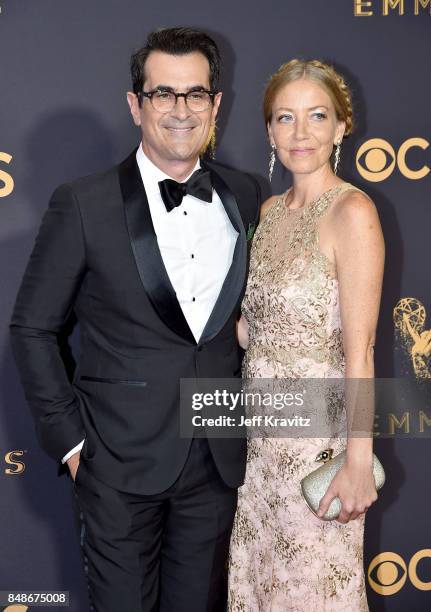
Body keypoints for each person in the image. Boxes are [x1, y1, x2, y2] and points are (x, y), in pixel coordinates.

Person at [9, 27, 260, 612]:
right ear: (135, 104)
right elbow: (32, 328)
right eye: (162, 94)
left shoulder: (247, 196)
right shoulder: (84, 202)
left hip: (217, 458)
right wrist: (70, 441)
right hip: (115, 462)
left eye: (195, 94)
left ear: (216, 104)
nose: (180, 110)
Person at [227, 59, 385, 611]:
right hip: (260, 447)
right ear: (269, 129)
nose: (300, 134)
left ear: (342, 126)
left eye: (317, 116)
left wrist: (358, 462)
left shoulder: (353, 212)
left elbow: (360, 349)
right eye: (284, 117)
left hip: (318, 447)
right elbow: (250, 331)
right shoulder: (268, 212)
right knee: (260, 585)